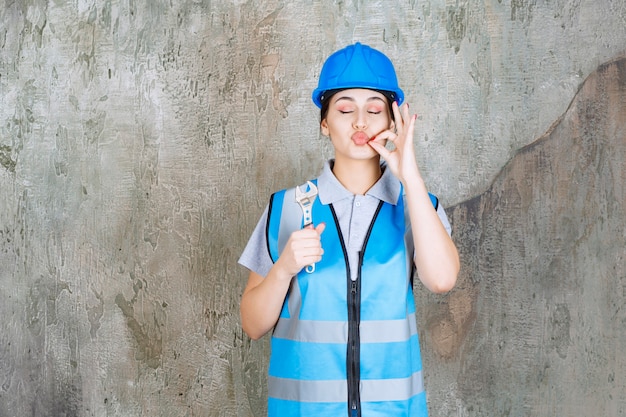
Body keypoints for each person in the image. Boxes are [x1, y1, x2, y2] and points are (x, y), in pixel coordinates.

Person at [239, 42, 459, 417]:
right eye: (345, 109)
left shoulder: (418, 208)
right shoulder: (287, 208)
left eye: (374, 109)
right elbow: (252, 324)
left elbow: (441, 280)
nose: (360, 121)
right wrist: (283, 269)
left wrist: (411, 178)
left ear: (392, 122)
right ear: (324, 122)